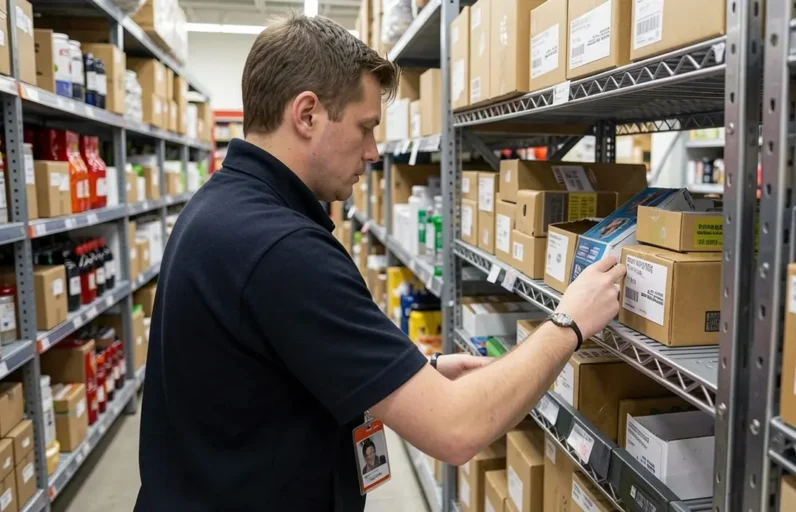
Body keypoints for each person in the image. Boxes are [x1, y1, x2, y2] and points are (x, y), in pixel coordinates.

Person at [134, 14, 625, 512]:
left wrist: (411, 372)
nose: (372, 152)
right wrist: (569, 322)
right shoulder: (282, 249)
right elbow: (457, 429)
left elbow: (276, 363)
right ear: (306, 115)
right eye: (365, 127)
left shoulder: (221, 207)